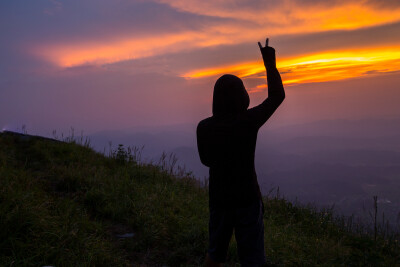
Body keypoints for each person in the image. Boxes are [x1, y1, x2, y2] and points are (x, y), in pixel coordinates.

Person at [196, 38, 285, 267]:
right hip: (247, 200)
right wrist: (269, 63)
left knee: (215, 254)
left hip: (219, 199)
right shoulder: (247, 121)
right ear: (240, 96)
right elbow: (276, 97)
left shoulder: (204, 127)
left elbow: (206, 160)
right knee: (253, 259)